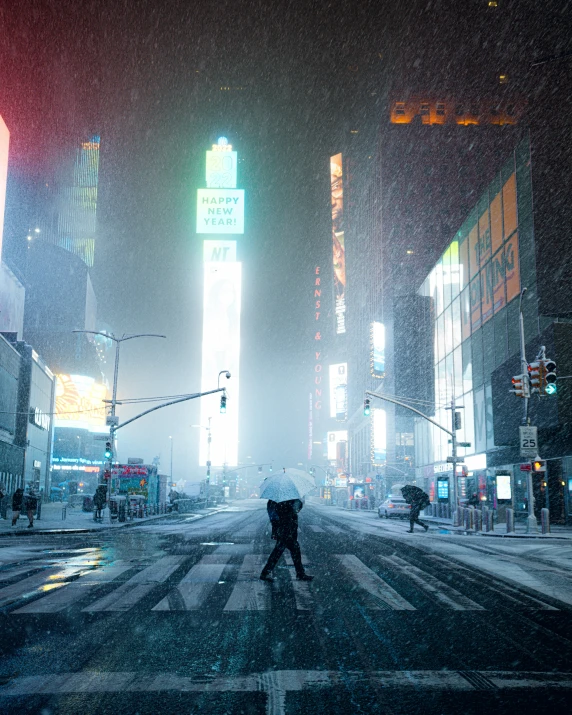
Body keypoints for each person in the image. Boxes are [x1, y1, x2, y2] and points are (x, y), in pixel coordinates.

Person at [260, 498, 313, 582]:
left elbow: (274, 517)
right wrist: (300, 503)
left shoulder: (274, 501)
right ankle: (265, 573)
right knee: (282, 551)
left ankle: (300, 573)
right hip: (286, 531)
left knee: (287, 551)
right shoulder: (284, 501)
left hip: (286, 530)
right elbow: (295, 509)